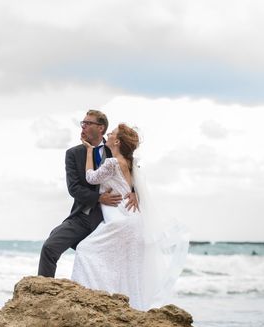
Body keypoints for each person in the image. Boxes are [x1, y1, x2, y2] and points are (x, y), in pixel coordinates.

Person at [71, 123, 187, 310]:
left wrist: (90, 151)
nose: (108, 134)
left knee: (86, 250)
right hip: (134, 220)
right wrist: (133, 192)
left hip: (122, 220)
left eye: (112, 133)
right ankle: (132, 308)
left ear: (116, 141)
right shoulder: (129, 162)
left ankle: (95, 301)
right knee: (129, 271)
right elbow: (135, 185)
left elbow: (91, 178)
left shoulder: (112, 162)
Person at [37, 110, 137, 277]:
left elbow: (132, 171)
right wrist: (99, 198)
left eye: (88, 123)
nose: (83, 127)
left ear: (101, 128)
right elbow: (74, 188)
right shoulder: (73, 153)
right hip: (83, 216)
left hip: (111, 219)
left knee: (108, 262)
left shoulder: (116, 149)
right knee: (50, 247)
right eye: (82, 123)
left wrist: (134, 192)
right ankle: (43, 295)